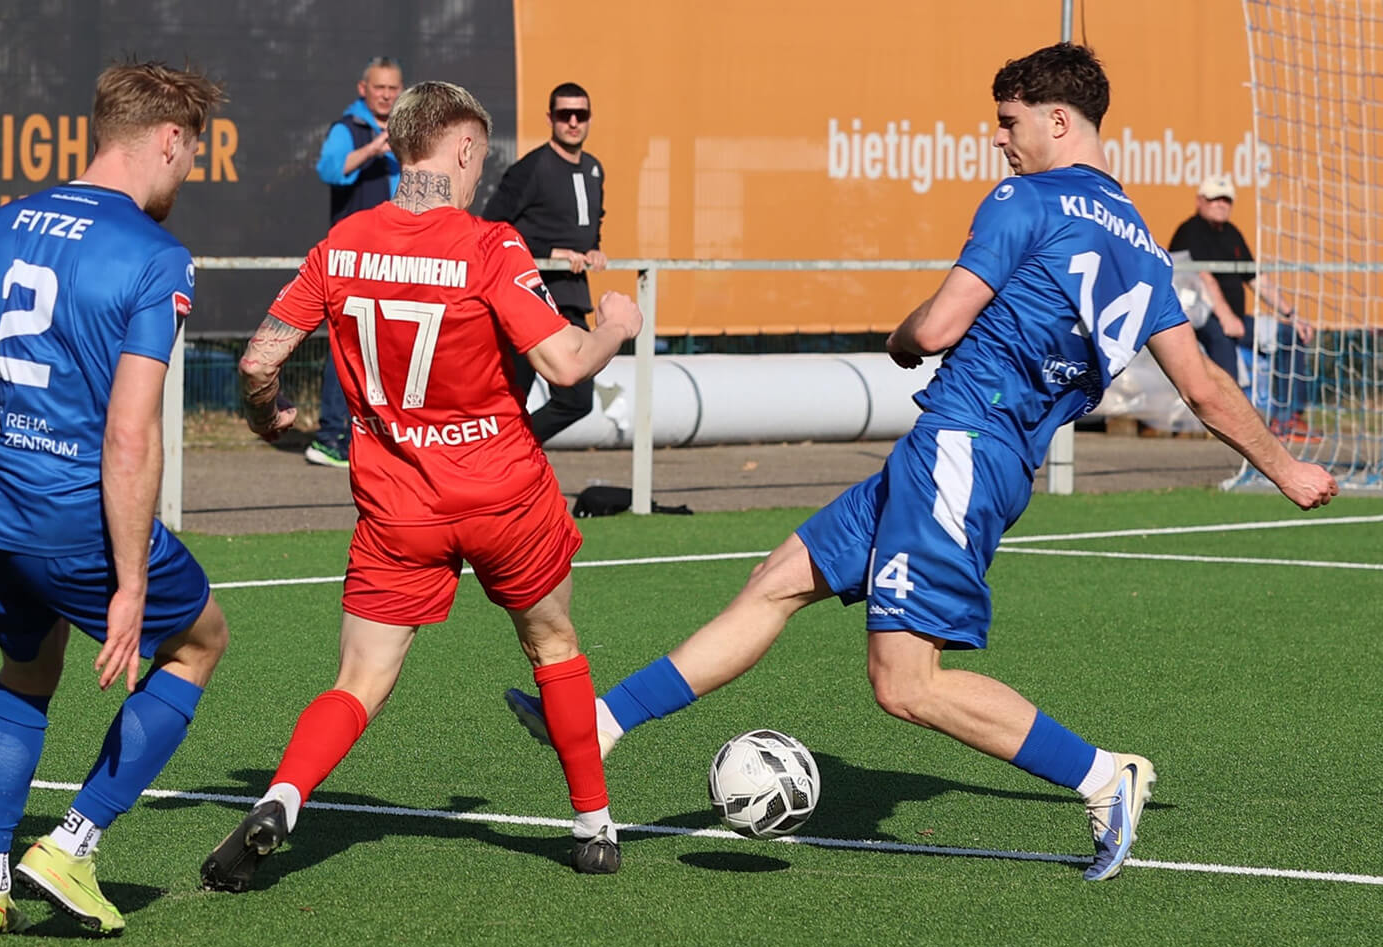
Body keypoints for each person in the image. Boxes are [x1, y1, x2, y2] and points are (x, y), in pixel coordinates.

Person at [505, 43, 1340, 882]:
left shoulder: (1024, 199)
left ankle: (1101, 776)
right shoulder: (1141, 241)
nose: (1001, 142)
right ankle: (601, 721)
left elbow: (936, 329)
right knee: (779, 579)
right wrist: (1286, 467)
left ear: (1059, 120)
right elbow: (1203, 388)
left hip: (961, 449)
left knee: (906, 685)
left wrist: (901, 338)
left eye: (1010, 124)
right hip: (977, 454)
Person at [201, 81, 643, 889]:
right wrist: (617, 319)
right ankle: (594, 825)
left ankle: (284, 798)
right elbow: (568, 363)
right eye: (480, 157)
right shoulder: (489, 244)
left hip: (398, 506)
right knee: (553, 646)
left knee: (359, 681)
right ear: (463, 148)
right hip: (504, 495)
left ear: (400, 143)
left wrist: (271, 423)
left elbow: (259, 362)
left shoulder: (341, 244)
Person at [0, 61, 230, 938]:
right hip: (67, 515)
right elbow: (130, 436)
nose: (186, 172)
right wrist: (130, 585)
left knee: (28, 663)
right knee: (199, 642)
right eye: (190, 154)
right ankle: (73, 842)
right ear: (169, 139)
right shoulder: (154, 255)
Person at [483, 82, 607, 443]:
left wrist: (594, 249)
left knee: (577, 399)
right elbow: (492, 226)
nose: (572, 122)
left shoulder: (594, 169)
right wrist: (547, 252)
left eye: (580, 115)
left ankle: (510, 454)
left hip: (570, 302)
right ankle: (496, 465)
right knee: (510, 399)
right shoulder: (531, 168)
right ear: (550, 118)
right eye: (564, 115)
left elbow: (589, 226)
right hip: (528, 299)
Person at [306, 57, 405, 469]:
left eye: (392, 89)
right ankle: (331, 436)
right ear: (363, 88)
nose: (385, 95)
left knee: (388, 346)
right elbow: (329, 169)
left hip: (398, 257)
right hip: (355, 258)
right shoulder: (347, 130)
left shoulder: (407, 132)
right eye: (379, 88)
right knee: (347, 344)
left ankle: (377, 435)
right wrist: (372, 150)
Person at [1168, 174, 1313, 437]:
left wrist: (1291, 315)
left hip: (1235, 319)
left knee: (1289, 336)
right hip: (1200, 319)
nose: (1221, 205)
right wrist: (1225, 316)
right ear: (1200, 201)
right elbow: (1202, 278)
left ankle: (1287, 419)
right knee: (1223, 341)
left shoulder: (1232, 233)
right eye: (1214, 199)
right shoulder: (1189, 231)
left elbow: (1256, 279)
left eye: (1226, 200)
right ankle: (1231, 424)